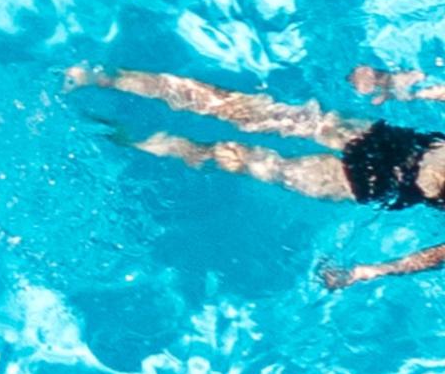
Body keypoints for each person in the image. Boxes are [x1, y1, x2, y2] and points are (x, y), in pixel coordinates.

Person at [71, 64, 445, 287]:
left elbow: (436, 257)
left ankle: (123, 136)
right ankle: (106, 78)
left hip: (362, 183)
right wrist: (394, 87)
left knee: (233, 157)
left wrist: (365, 272)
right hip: (380, 138)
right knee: (239, 109)